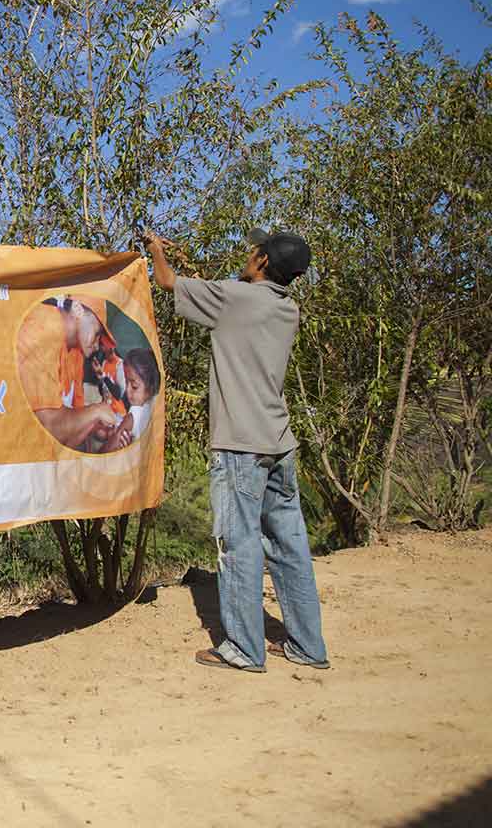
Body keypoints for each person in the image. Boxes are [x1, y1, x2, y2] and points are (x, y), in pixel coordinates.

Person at [144, 228, 330, 673]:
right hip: (278, 443)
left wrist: (155, 252)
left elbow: (167, 283)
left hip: (239, 446)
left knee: (238, 544)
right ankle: (308, 647)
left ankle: (244, 650)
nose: (248, 254)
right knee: (290, 544)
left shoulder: (235, 299)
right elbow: (233, 296)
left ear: (263, 260)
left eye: (254, 250)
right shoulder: (286, 308)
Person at [18, 295, 126, 449]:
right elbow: (48, 429)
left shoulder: (77, 353)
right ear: (77, 310)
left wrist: (94, 424)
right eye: (97, 334)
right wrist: (96, 411)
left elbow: (69, 435)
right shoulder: (44, 326)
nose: (97, 346)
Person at [102, 347, 160, 453]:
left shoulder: (134, 414)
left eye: (134, 386)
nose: (128, 391)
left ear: (151, 388)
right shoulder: (158, 409)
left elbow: (105, 452)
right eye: (126, 382)